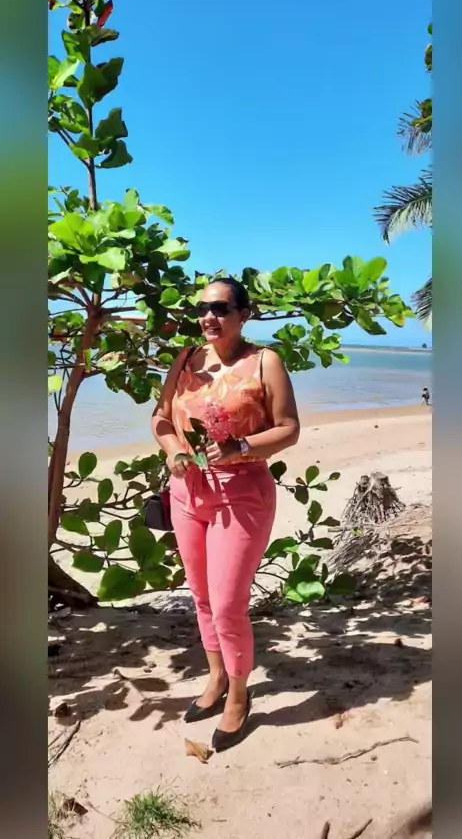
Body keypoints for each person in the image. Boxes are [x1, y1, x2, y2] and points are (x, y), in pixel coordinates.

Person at [151, 278, 300, 751]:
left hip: (242, 493)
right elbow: (161, 418)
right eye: (203, 308)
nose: (209, 317)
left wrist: (241, 447)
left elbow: (289, 429)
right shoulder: (185, 359)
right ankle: (216, 676)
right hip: (187, 492)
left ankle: (239, 695)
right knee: (200, 595)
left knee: (228, 603)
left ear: (243, 314)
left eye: (220, 308)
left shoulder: (265, 362)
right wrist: (175, 450)